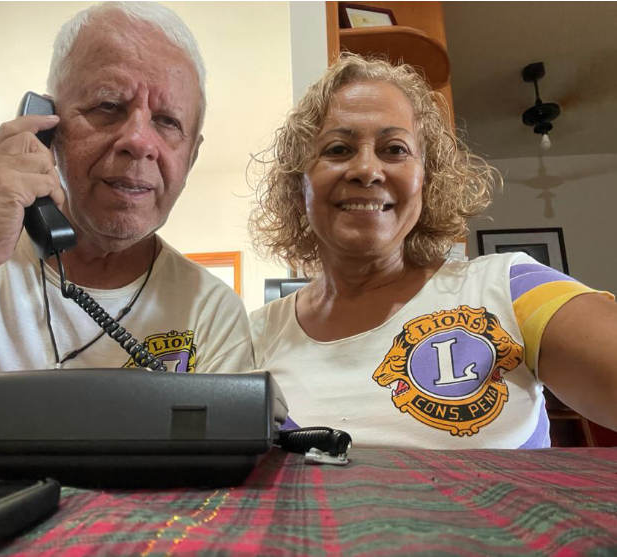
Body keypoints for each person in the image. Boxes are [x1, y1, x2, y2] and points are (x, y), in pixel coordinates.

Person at [0, 1, 253, 449]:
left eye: (167, 121)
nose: (139, 141)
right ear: (46, 129)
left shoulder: (211, 311)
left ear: (190, 157)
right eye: (108, 106)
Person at [249, 54, 617, 449]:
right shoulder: (250, 338)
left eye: (395, 149)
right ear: (298, 184)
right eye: (338, 149)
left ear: (426, 180)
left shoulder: (511, 287)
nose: (367, 170)